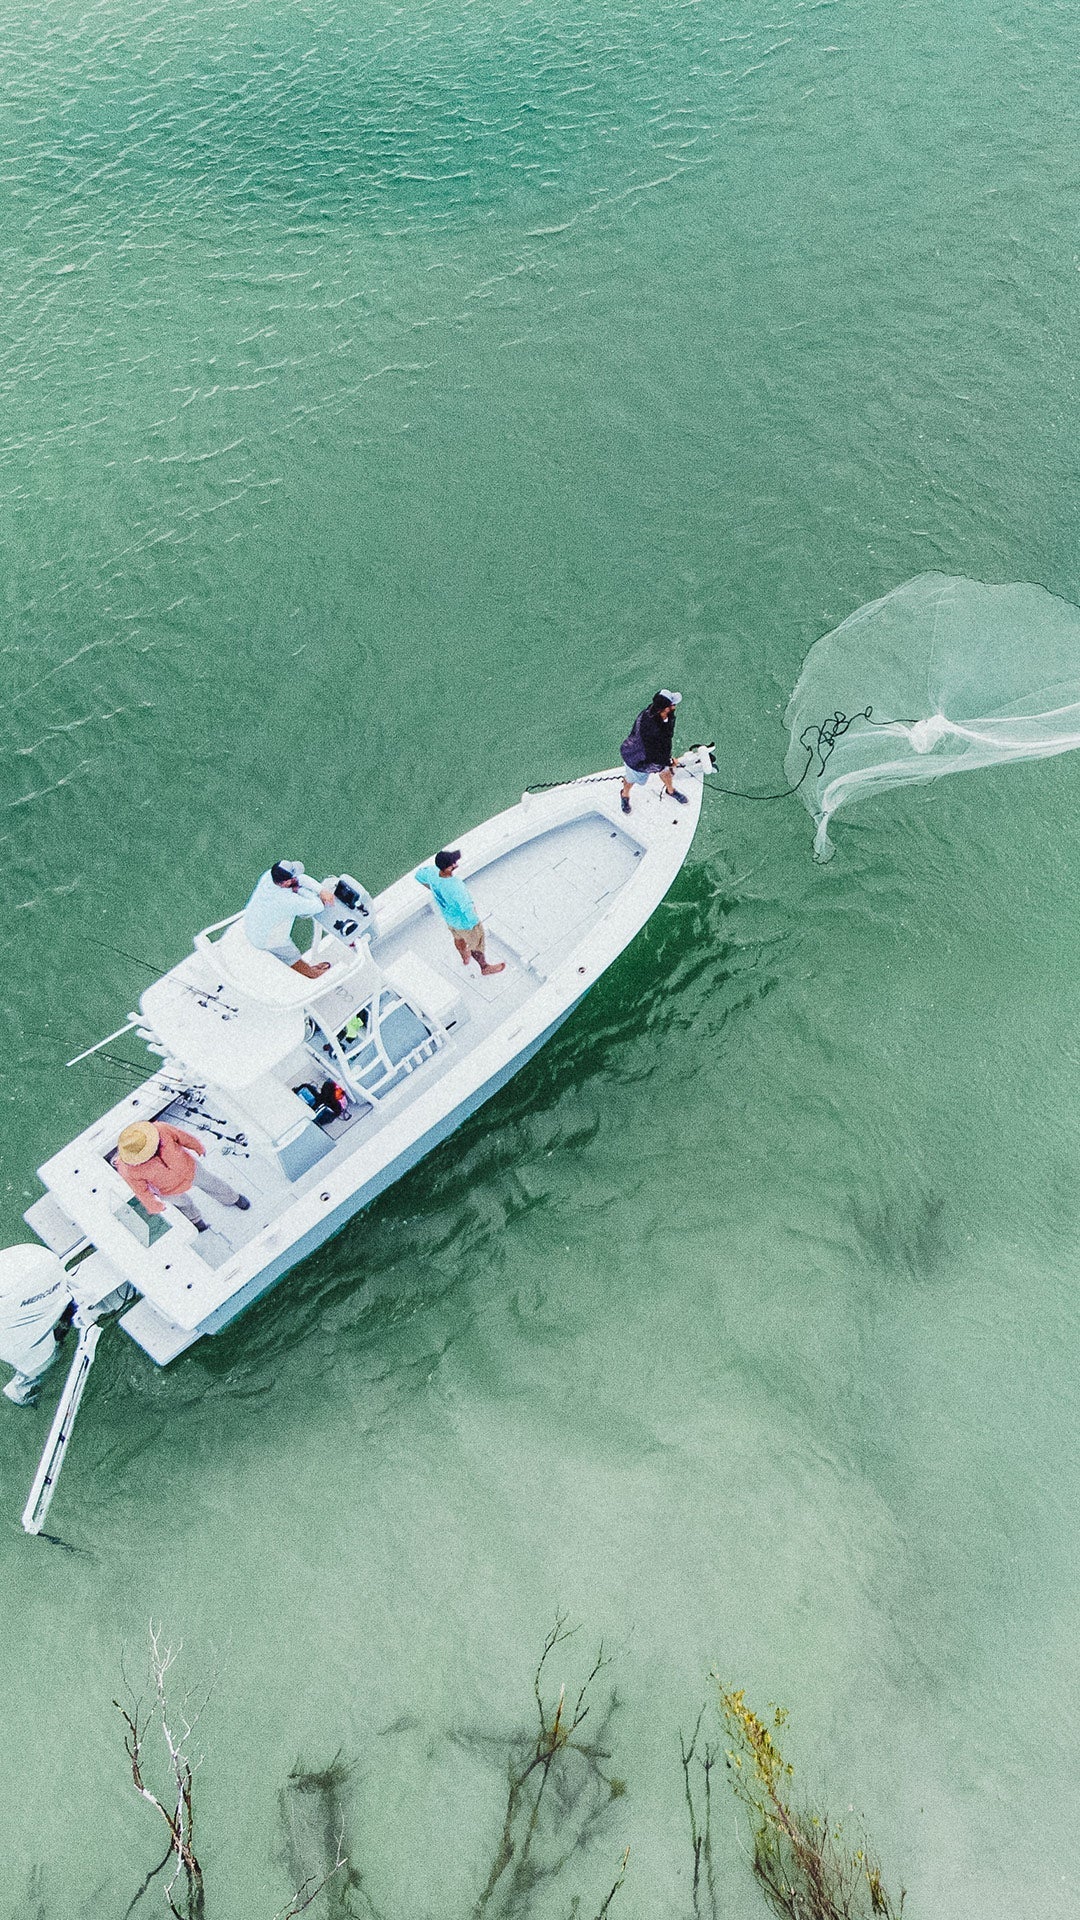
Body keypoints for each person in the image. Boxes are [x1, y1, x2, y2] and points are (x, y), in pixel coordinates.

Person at [116, 1121, 251, 1234]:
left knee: (213, 1184)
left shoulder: (161, 1128)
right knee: (184, 1203)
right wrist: (153, 1205)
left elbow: (183, 1137)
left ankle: (233, 1198)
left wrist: (197, 1146)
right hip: (168, 1189)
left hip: (189, 1168)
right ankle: (196, 1220)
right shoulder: (127, 1169)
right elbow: (140, 1190)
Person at [415, 850, 505, 976]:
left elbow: (418, 875)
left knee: (458, 938)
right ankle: (484, 967)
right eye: (453, 863)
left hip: (450, 919)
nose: (456, 864)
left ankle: (464, 957)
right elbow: (467, 908)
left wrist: (432, 887)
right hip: (466, 923)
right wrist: (475, 924)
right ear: (447, 868)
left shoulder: (432, 873)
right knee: (476, 945)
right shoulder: (456, 887)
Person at [243, 860, 337, 980]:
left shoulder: (268, 876)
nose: (296, 878)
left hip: (251, 923)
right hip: (264, 939)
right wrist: (299, 890)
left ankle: (308, 971)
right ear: (285, 882)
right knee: (291, 955)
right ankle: (312, 974)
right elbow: (318, 906)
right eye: (292, 878)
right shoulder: (287, 901)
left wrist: (321, 890)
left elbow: (301, 878)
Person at [619, 689, 688, 813]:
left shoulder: (656, 713)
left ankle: (670, 790)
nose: (675, 706)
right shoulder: (651, 730)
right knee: (632, 779)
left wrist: (667, 761)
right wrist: (669, 762)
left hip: (652, 755)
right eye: (673, 704)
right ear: (666, 709)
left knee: (665, 772)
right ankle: (624, 795)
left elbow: (664, 740)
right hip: (636, 760)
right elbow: (653, 754)